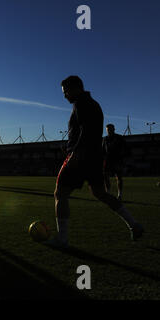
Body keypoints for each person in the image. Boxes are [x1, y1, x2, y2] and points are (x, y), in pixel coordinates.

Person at [51, 76, 143, 247]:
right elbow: (87, 132)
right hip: (93, 158)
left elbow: (86, 132)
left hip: (80, 157)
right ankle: (134, 225)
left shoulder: (81, 103)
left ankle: (62, 239)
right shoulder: (92, 103)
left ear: (76, 88)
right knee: (101, 194)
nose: (65, 96)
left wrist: (74, 152)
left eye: (66, 92)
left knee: (60, 194)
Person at [103, 124, 128, 201]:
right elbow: (102, 149)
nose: (109, 131)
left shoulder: (119, 138)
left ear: (114, 129)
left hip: (117, 160)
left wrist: (122, 158)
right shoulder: (105, 139)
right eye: (107, 130)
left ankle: (119, 195)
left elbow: (125, 148)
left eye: (110, 129)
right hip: (107, 160)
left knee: (119, 177)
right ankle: (108, 193)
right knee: (105, 177)